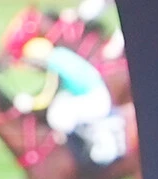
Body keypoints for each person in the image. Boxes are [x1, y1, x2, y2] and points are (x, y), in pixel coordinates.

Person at [13, 36, 119, 165]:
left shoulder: (53, 65)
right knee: (61, 105)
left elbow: (47, 96)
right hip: (94, 92)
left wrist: (30, 103)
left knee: (56, 116)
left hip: (95, 100)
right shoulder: (59, 54)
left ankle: (82, 145)